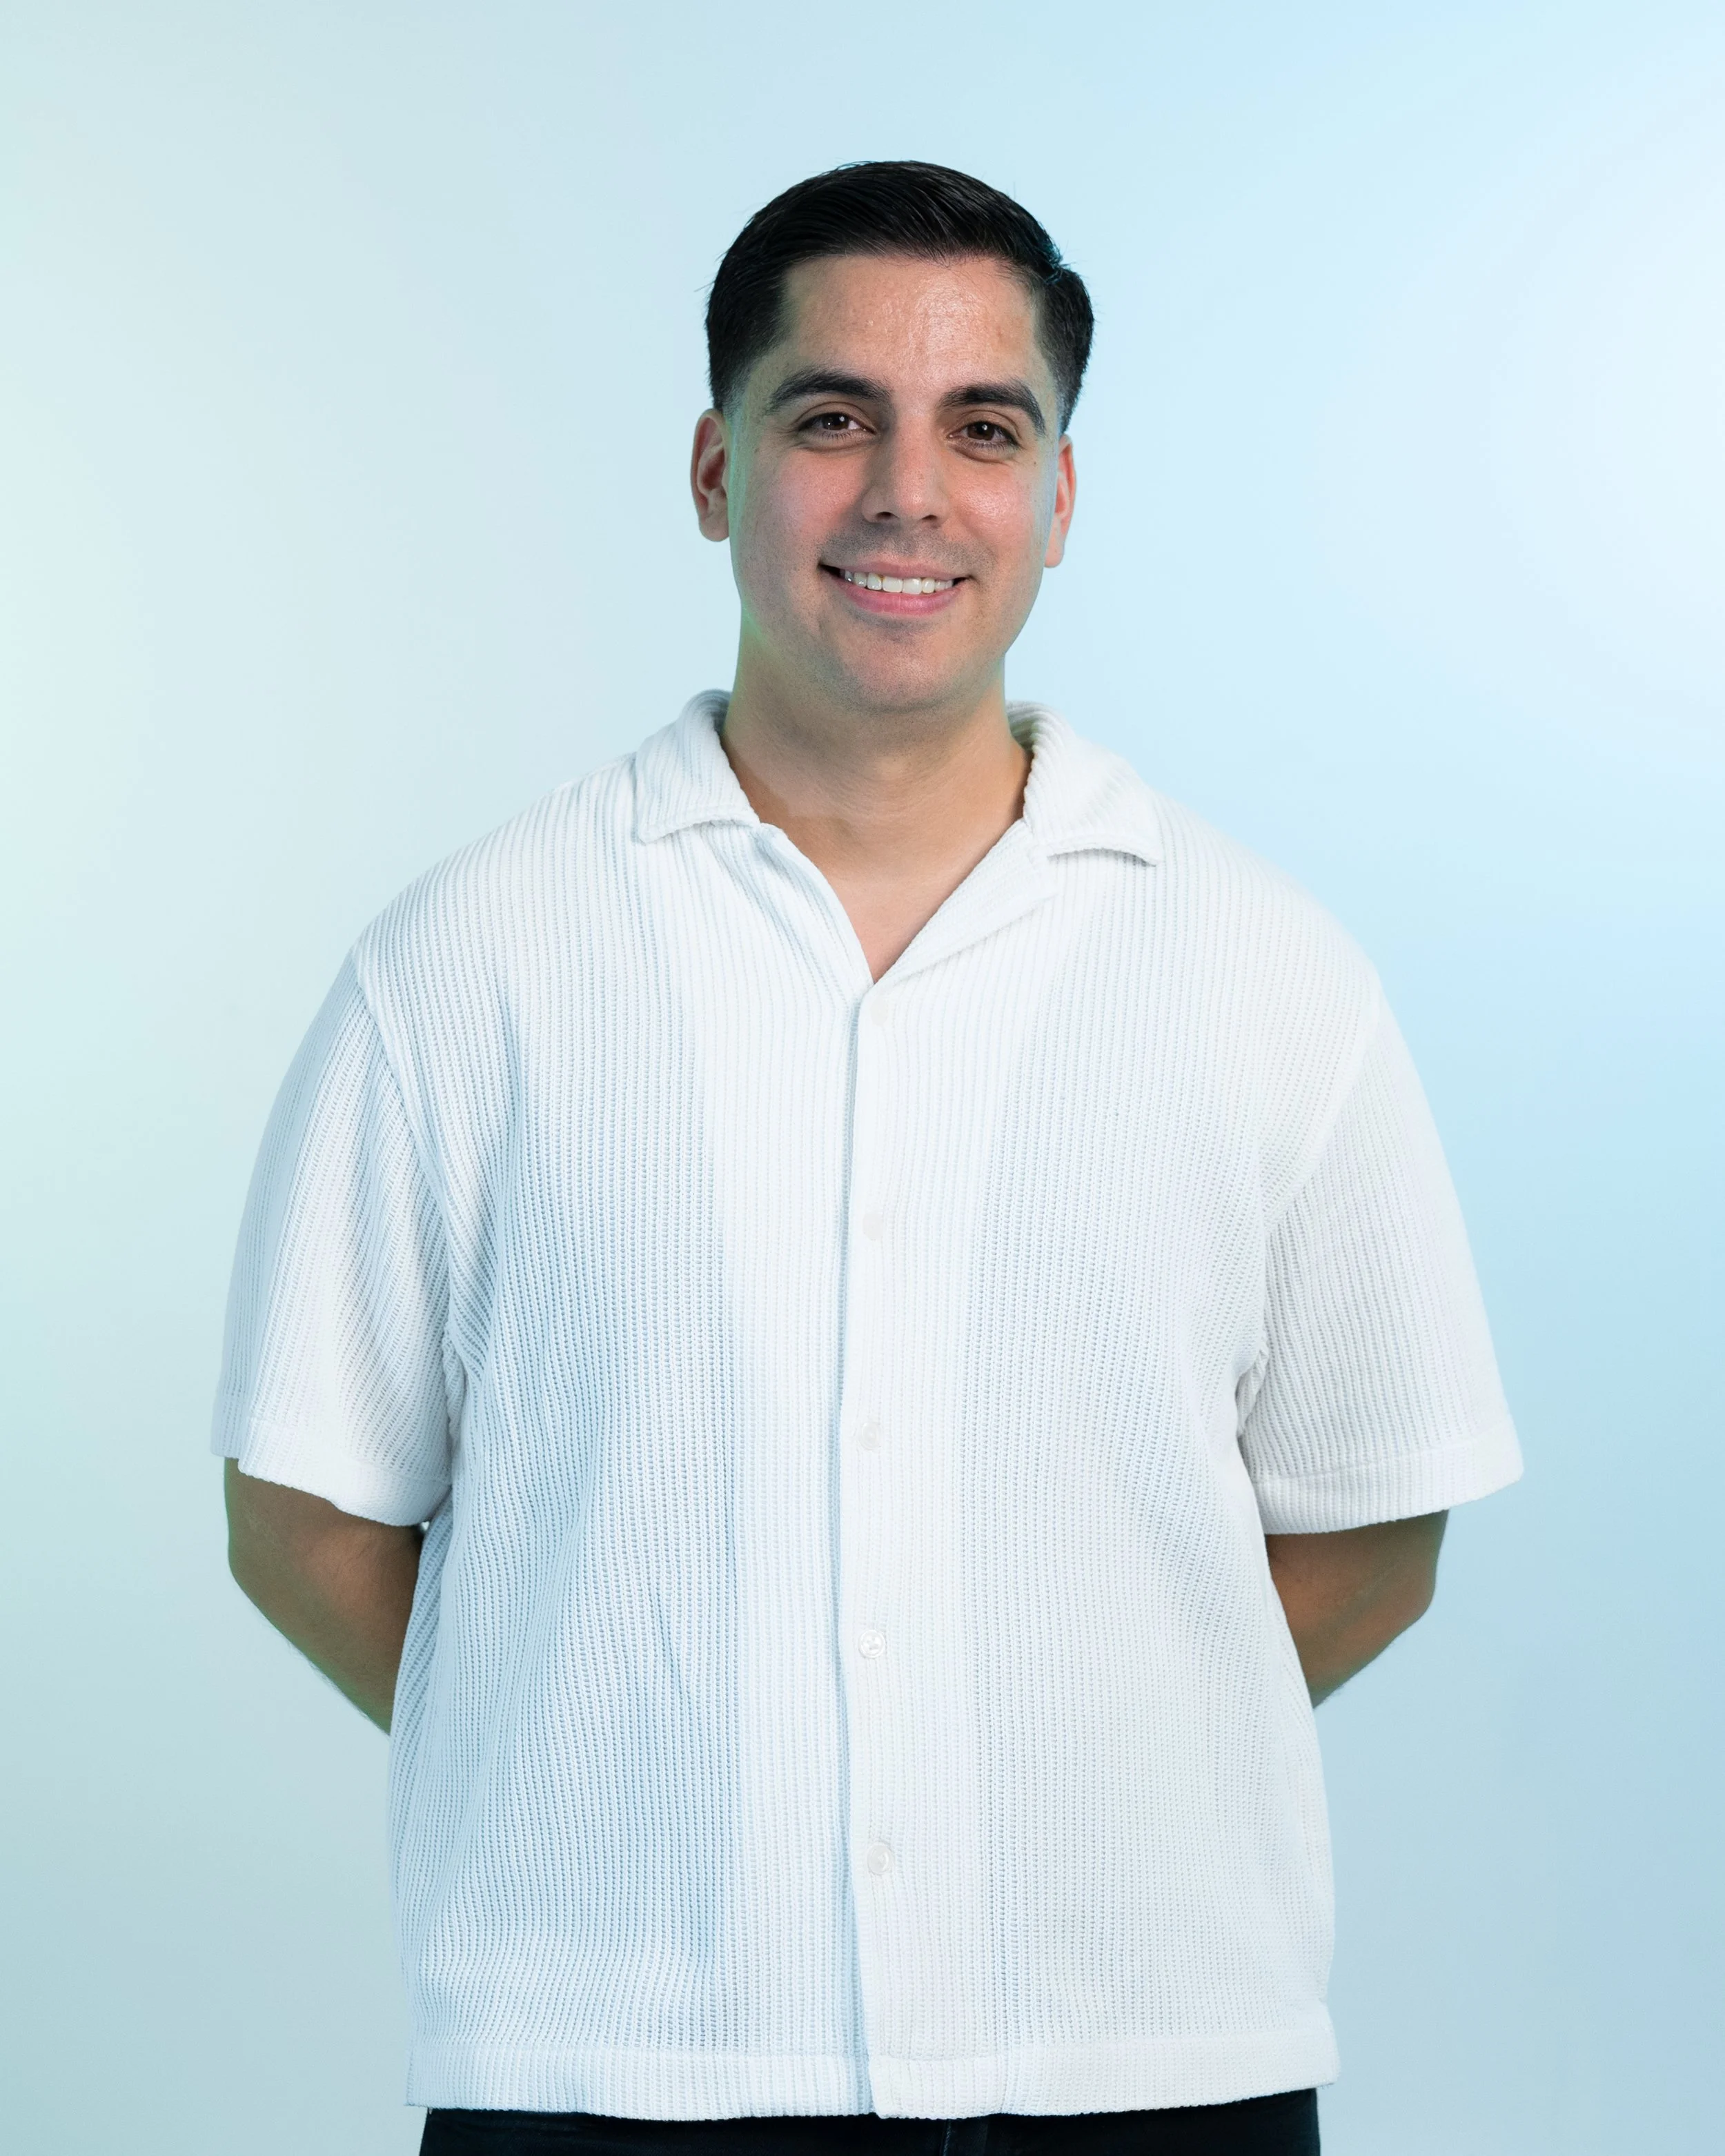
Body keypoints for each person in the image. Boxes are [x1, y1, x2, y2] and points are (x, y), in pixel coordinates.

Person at [215, 162, 1521, 2156]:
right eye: (831, 418)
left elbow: (1371, 1527)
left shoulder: (1263, 972)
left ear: (1058, 500)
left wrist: (1054, 1772)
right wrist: (648, 1774)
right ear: (713, 470)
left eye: (981, 429)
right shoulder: (470, 963)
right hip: (602, 2072)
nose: (907, 491)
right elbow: (303, 1516)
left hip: (1146, 2063)